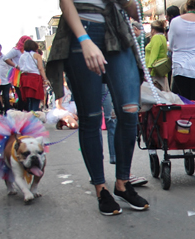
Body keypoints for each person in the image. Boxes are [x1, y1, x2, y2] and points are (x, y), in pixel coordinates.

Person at [47, 0, 149, 216]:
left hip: (115, 29)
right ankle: (101, 190)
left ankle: (122, 183)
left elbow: (136, 13)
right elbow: (65, 3)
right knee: (91, 116)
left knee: (130, 110)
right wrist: (84, 39)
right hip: (83, 28)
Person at [18, 40, 49, 112]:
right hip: (34, 78)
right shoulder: (37, 55)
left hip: (24, 78)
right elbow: (40, 68)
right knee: (36, 98)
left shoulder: (22, 56)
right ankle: (34, 117)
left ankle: (30, 116)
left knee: (29, 99)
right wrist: (45, 79)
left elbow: (20, 67)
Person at [4, 35, 33, 111]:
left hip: (27, 74)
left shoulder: (28, 51)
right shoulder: (16, 50)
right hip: (18, 75)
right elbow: (5, 58)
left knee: (27, 96)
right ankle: (18, 111)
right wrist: (16, 65)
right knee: (21, 96)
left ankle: (26, 112)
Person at [145, 19, 170, 91]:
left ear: (153, 29)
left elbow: (154, 55)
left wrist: (148, 71)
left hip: (154, 73)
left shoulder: (156, 38)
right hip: (160, 72)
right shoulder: (162, 37)